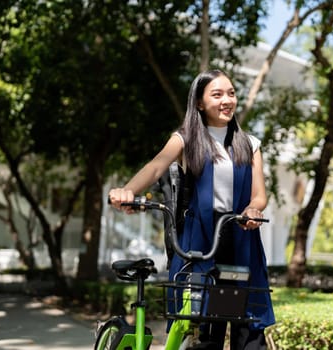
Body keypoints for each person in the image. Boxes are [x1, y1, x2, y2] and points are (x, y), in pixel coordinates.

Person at [108, 69, 275, 349]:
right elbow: (157, 166)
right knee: (201, 322)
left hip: (240, 237)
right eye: (217, 94)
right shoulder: (187, 138)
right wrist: (128, 190)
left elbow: (259, 196)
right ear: (199, 103)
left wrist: (253, 210)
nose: (227, 100)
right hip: (201, 240)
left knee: (248, 323)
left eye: (231, 93)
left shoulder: (249, 144)